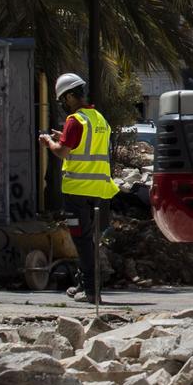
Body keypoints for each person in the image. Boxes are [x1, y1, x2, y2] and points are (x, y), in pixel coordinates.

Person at [41, 72, 115, 302]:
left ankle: (91, 291)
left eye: (64, 99)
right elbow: (83, 144)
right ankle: (85, 283)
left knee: (81, 241)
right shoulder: (98, 119)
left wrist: (49, 142)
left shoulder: (76, 120)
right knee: (88, 239)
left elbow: (63, 152)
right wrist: (62, 137)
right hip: (97, 190)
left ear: (72, 96)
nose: (64, 104)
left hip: (77, 189)